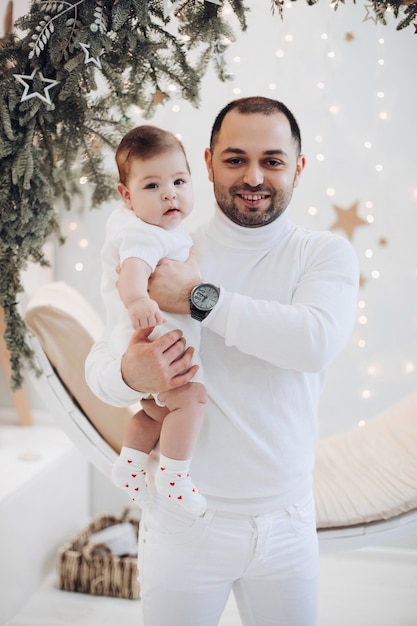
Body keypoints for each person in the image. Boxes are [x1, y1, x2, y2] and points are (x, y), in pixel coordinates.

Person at [86, 96, 359, 626]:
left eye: (272, 161)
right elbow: (102, 362)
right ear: (207, 163)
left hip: (288, 523)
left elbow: (314, 341)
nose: (253, 176)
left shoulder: (322, 254)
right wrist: (129, 375)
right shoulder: (162, 247)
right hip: (185, 526)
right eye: (235, 159)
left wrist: (198, 298)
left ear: (297, 168)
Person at [101, 125, 207, 516]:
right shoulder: (144, 235)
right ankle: (174, 478)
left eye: (179, 180)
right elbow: (131, 272)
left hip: (145, 343)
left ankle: (129, 466)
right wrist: (138, 301)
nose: (170, 193)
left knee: (154, 412)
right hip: (153, 341)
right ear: (126, 196)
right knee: (191, 399)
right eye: (152, 186)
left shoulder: (159, 229)